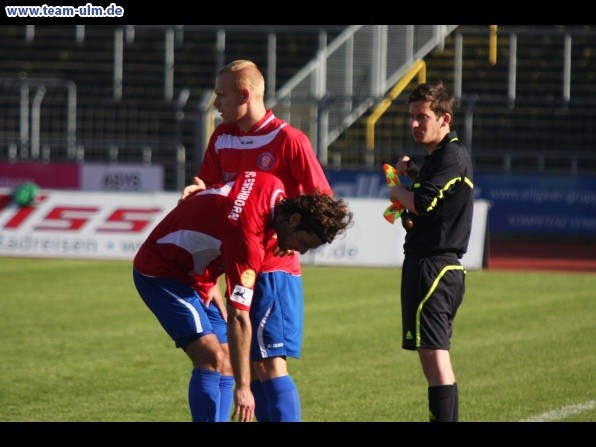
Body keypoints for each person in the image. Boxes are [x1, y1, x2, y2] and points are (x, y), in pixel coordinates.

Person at [180, 59, 333, 422]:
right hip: (234, 261)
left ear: (245, 95)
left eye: (221, 95)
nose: (216, 103)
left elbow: (323, 203)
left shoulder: (289, 140)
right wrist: (196, 192)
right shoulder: (222, 137)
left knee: (268, 365)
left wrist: (290, 237)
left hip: (273, 270)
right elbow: (212, 187)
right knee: (244, 363)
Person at [133, 170, 353, 422]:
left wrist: (203, 194)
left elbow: (226, 193)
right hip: (161, 272)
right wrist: (244, 388)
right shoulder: (248, 241)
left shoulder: (271, 182)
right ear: (293, 219)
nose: (299, 250)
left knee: (225, 360)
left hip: (197, 275)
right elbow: (238, 317)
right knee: (211, 358)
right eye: (302, 241)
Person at [388, 80, 474, 422]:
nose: (414, 124)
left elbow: (422, 203)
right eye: (412, 116)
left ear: (445, 119)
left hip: (434, 267)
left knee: (435, 358)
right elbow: (430, 203)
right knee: (430, 356)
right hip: (430, 265)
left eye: (422, 117)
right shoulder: (439, 159)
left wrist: (397, 188)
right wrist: (413, 175)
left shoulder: (451, 155)